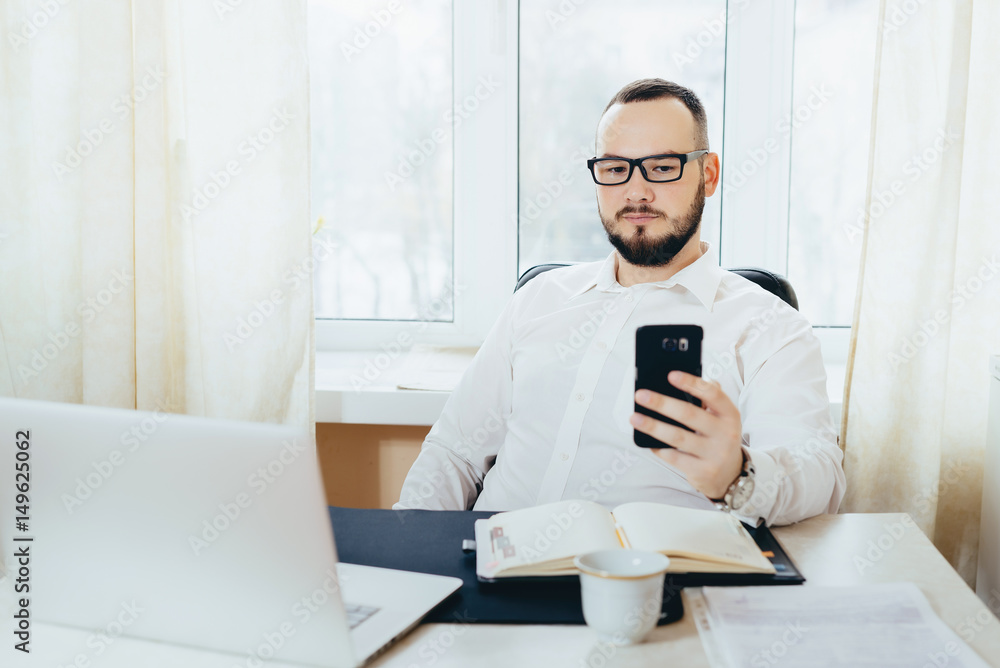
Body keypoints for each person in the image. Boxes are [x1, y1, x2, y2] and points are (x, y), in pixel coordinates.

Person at [394, 78, 845, 526]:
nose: (636, 191)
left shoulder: (770, 327)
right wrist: (406, 549)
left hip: (653, 583)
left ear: (707, 175)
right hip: (492, 567)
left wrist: (737, 474)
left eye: (662, 167)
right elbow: (454, 452)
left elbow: (819, 473)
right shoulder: (538, 299)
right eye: (615, 169)